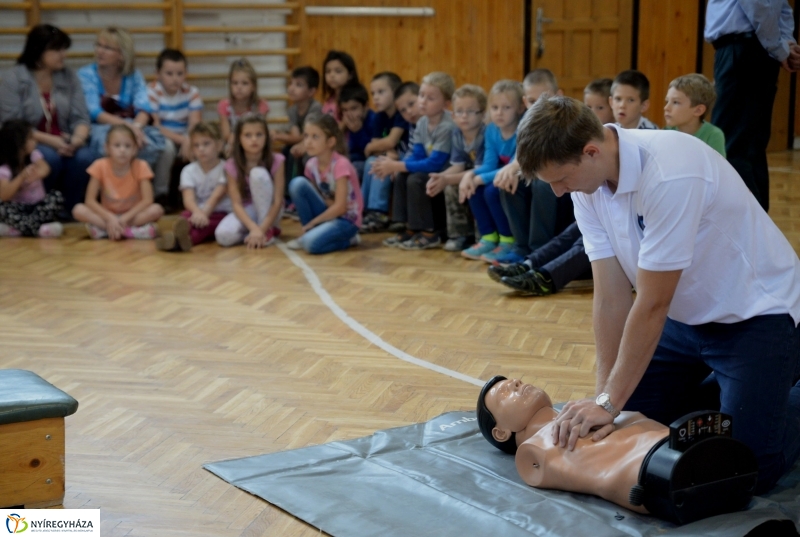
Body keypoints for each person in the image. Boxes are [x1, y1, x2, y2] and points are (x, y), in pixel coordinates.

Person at [515, 95, 800, 495]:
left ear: (591, 151)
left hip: (755, 317)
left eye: (560, 179)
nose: (560, 192)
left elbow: (651, 304)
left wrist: (609, 402)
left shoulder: (669, 173)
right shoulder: (586, 185)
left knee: (742, 468)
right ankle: (736, 388)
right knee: (632, 420)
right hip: (686, 322)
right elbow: (611, 296)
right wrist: (605, 399)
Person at [477, 376, 668, 513]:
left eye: (513, 381)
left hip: (676, 441)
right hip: (662, 471)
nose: (516, 382)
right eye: (504, 393)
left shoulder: (587, 409)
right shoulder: (533, 454)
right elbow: (606, 480)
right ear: (501, 433)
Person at [705, 0, 800, 212]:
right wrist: (784, 44)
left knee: (730, 145)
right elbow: (781, 7)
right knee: (750, 148)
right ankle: (759, 229)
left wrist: (780, 47)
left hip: (742, 51)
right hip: (760, 51)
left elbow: (757, 4)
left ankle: (745, 227)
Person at [0, 24, 96, 216]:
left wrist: (76, 139)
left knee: (85, 157)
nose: (63, 55)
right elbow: (14, 125)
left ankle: (70, 211)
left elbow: (81, 116)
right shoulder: (12, 79)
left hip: (65, 139)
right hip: (30, 141)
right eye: (56, 50)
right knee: (49, 157)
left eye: (64, 49)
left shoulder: (69, 77)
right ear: (38, 51)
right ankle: (37, 208)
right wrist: (53, 141)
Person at [492, 69, 567, 266]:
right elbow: (524, 151)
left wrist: (515, 165)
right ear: (525, 102)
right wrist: (512, 168)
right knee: (510, 182)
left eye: (545, 99)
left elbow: (551, 157)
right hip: (539, 174)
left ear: (558, 96)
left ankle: (539, 250)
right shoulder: (527, 121)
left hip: (566, 181)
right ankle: (521, 247)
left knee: (542, 184)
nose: (539, 106)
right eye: (533, 101)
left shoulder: (566, 119)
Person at [376, 72, 455, 250]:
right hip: (432, 170)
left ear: (446, 103)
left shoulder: (447, 126)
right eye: (421, 95)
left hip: (448, 172)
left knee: (416, 179)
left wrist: (398, 164)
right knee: (403, 176)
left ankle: (430, 232)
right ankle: (411, 227)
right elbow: (418, 153)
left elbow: (435, 164)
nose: (423, 102)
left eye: (430, 98)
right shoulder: (422, 123)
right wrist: (398, 167)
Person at [78, 27, 165, 174]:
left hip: (132, 125)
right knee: (111, 146)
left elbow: (144, 107)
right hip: (101, 126)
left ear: (121, 54)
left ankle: (151, 192)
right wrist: (128, 128)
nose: (100, 51)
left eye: (107, 48)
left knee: (159, 145)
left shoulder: (134, 75)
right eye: (98, 45)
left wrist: (136, 127)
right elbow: (94, 112)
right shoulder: (85, 74)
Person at [459, 80, 524, 262]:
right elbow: (489, 164)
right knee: (474, 188)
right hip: (500, 174)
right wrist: (470, 175)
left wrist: (479, 179)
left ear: (519, 108)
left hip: (517, 175)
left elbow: (511, 167)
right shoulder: (491, 130)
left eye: (506, 107)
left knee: (491, 191)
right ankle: (488, 237)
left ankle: (508, 240)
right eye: (494, 107)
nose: (499, 113)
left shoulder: (522, 130)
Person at [286, 114, 363, 254]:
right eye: (306, 136)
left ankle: (348, 239)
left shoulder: (341, 165)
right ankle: (309, 233)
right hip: (329, 212)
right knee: (297, 184)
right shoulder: (310, 165)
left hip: (347, 220)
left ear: (330, 142)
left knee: (310, 245)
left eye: (315, 137)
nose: (308, 142)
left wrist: (314, 222)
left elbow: (340, 208)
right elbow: (320, 195)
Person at [72, 124, 163, 240]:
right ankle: (130, 231)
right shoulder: (99, 166)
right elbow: (90, 201)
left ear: (135, 149)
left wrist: (124, 218)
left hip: (132, 216)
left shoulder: (141, 166)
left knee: (156, 210)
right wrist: (110, 218)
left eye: (127, 146)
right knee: (78, 210)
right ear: (107, 148)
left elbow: (147, 200)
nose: (122, 150)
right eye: (117, 145)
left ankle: (105, 230)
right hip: (107, 215)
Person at [426, 84, 486, 252]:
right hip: (468, 173)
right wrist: (440, 177)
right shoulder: (457, 134)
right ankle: (460, 234)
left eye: (470, 111)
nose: (464, 116)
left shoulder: (485, 134)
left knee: (473, 187)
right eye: (459, 111)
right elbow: (457, 166)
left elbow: (481, 169)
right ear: (453, 116)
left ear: (483, 114)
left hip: (484, 175)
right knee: (450, 188)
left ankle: (482, 235)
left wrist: (447, 179)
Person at [156, 122, 230, 252]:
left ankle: (178, 240)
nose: (201, 149)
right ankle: (178, 239)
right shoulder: (188, 170)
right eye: (196, 145)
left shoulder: (226, 168)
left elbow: (217, 196)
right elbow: (188, 199)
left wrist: (203, 214)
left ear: (219, 145)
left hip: (219, 212)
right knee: (185, 217)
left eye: (206, 144)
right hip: (197, 212)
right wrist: (197, 213)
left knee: (206, 225)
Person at [215, 115, 284, 249]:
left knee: (257, 174)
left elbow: (277, 201)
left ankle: (268, 229)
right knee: (222, 236)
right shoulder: (231, 164)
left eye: (259, 134)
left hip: (271, 212)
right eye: (247, 135)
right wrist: (253, 228)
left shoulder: (277, 160)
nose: (254, 139)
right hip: (249, 210)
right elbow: (237, 204)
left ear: (266, 137)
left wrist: (262, 227)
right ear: (239, 139)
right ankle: (254, 234)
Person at [147, 48, 203, 206]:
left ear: (186, 73)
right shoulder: (152, 92)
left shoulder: (192, 92)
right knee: (168, 148)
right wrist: (183, 140)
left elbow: (195, 124)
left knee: (202, 145)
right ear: (157, 73)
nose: (175, 79)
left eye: (180, 74)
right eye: (169, 74)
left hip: (185, 137)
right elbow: (155, 126)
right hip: (162, 138)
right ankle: (161, 193)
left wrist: (190, 141)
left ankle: (197, 195)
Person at [361, 72, 409, 234]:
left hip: (408, 155)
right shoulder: (379, 116)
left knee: (379, 162)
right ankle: (364, 210)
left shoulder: (401, 113)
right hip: (394, 155)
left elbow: (390, 141)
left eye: (381, 92)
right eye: (373, 93)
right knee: (371, 162)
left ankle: (379, 212)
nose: (375, 97)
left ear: (395, 93)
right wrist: (385, 150)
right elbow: (376, 144)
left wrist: (376, 147)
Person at [0, 120, 63, 238]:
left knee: (56, 197)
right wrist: (21, 177)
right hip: (17, 208)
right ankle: (39, 230)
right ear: (19, 144)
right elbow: (4, 195)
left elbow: (46, 169)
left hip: (37, 206)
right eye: (31, 139)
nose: (35, 141)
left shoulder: (34, 155)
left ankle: (18, 229)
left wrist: (36, 174)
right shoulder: (4, 169)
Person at [273, 66, 322, 180]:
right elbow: (296, 136)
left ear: (311, 91)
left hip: (316, 144)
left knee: (302, 154)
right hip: (304, 142)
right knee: (287, 150)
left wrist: (278, 136)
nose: (292, 88)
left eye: (298, 85)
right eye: (291, 83)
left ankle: (305, 184)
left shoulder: (316, 108)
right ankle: (288, 190)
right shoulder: (292, 110)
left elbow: (302, 137)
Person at [663, 74, 726, 157]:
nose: (666, 108)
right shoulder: (666, 132)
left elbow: (718, 168)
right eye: (667, 101)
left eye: (676, 102)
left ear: (698, 110)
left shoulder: (713, 135)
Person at [218, 58, 270, 155]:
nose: (239, 87)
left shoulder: (260, 106)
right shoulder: (224, 105)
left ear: (253, 86)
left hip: (254, 145)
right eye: (235, 83)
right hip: (233, 146)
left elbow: (259, 132)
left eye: (244, 83)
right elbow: (226, 135)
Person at [338, 83, 375, 180]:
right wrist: (341, 128)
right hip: (351, 158)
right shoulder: (346, 121)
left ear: (366, 106)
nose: (349, 114)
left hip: (366, 162)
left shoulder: (373, 120)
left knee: (351, 169)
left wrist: (358, 131)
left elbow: (370, 152)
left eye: (354, 108)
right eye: (345, 110)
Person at [320, 50, 360, 120]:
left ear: (350, 75)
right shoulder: (329, 100)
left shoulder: (352, 101)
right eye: (328, 71)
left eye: (338, 71)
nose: (331, 75)